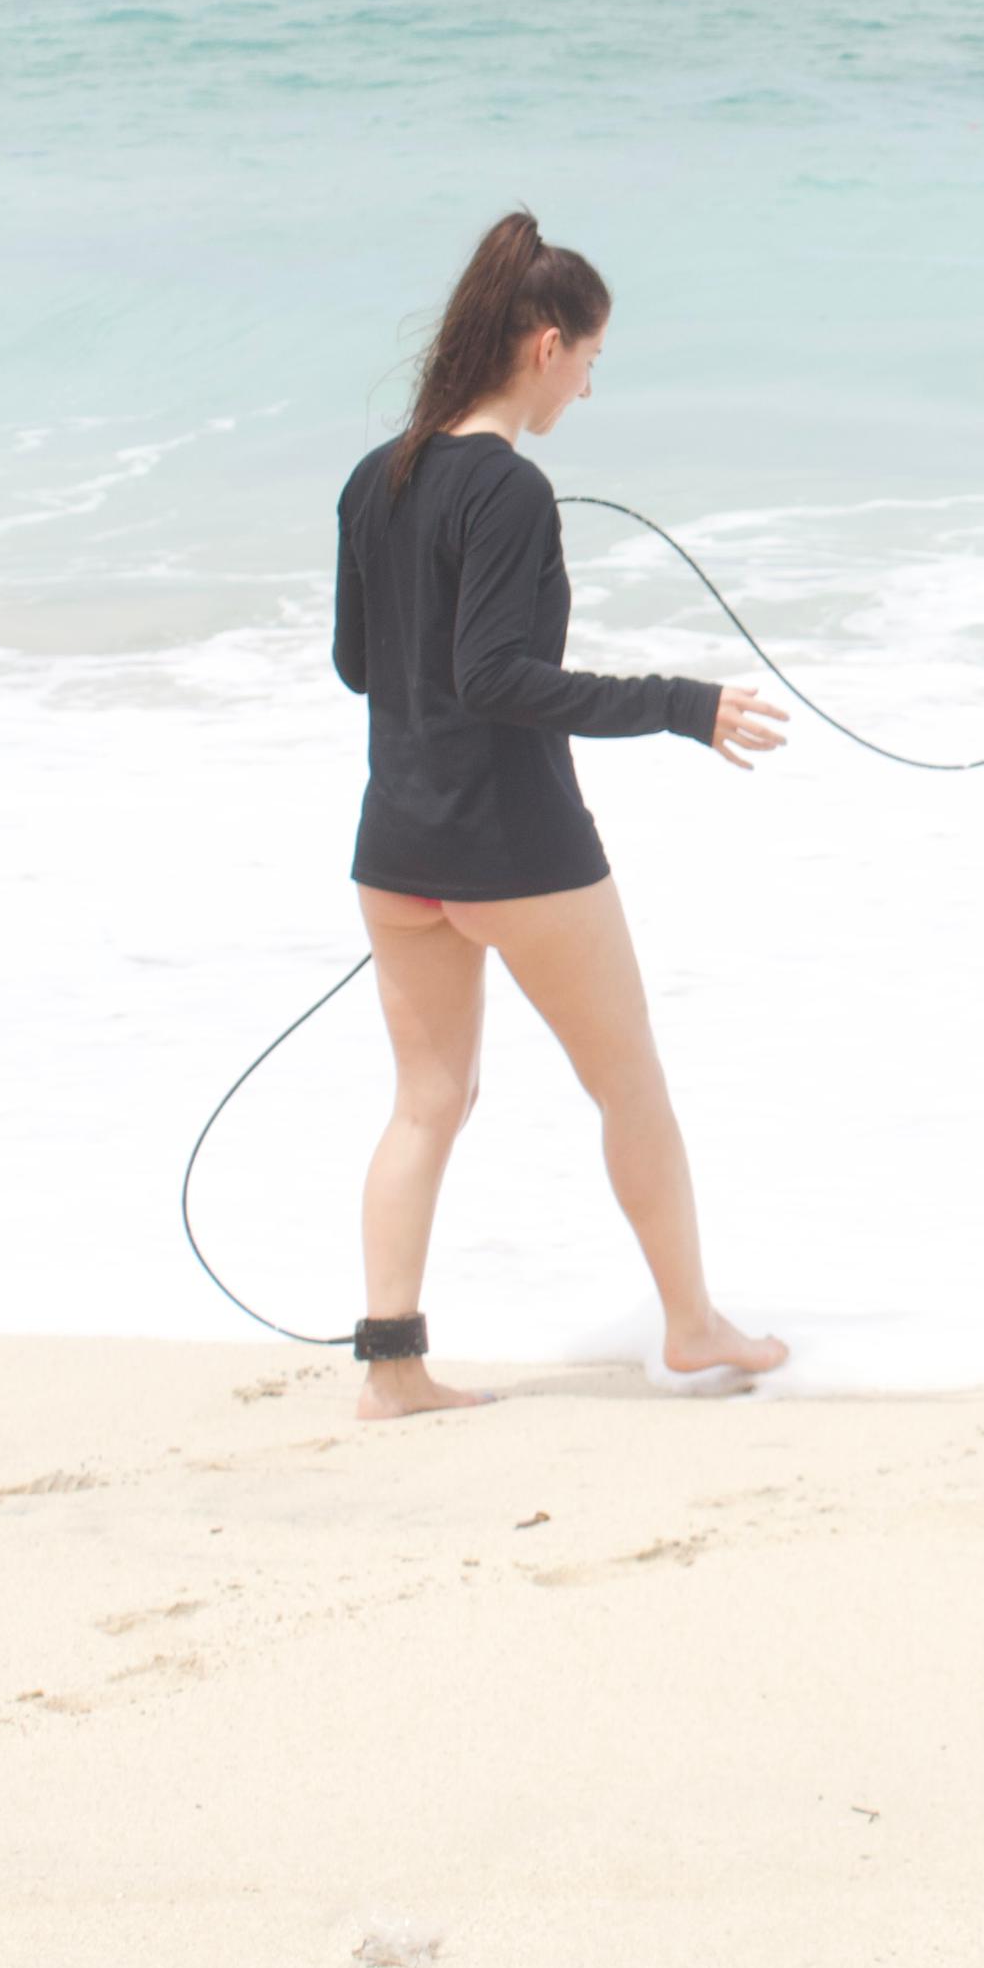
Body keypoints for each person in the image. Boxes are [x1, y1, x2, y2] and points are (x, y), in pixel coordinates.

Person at [332, 211, 791, 1418]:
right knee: (629, 1083)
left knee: (427, 1101)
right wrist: (685, 704)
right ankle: (690, 1326)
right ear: (545, 345)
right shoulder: (511, 489)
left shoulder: (372, 477)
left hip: (396, 850)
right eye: (589, 360)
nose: (587, 387)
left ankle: (394, 1371)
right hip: (515, 847)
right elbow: (494, 678)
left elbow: (354, 664)